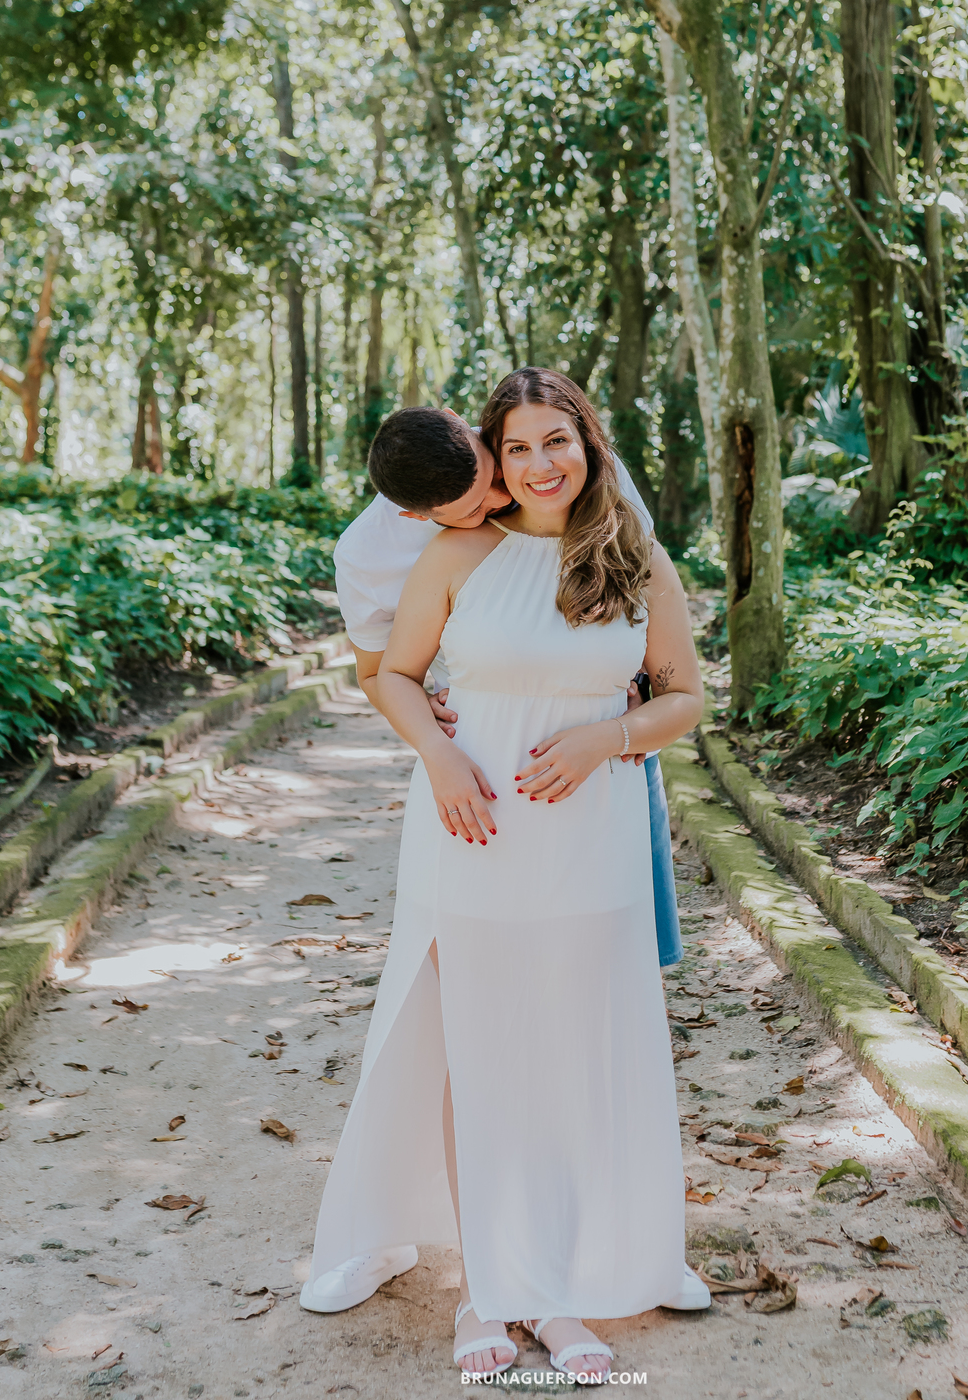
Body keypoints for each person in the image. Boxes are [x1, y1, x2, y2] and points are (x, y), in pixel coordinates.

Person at [303, 369, 708, 1378]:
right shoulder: (453, 552)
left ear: (587, 439)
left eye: (554, 441)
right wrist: (438, 753)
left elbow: (685, 697)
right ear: (491, 454)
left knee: (575, 1056)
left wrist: (609, 736)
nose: (536, 465)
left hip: (593, 842)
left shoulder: (630, 550)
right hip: (470, 839)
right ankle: (490, 1285)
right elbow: (392, 672)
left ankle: (561, 1291)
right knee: (476, 1052)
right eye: (516, 447)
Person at [332, 402, 683, 972]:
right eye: (474, 510)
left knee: (621, 942)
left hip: (599, 727)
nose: (503, 498)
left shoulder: (544, 453)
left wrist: (639, 688)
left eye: (494, 473)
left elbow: (635, 583)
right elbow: (379, 674)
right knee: (487, 951)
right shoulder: (368, 556)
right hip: (482, 751)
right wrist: (436, 749)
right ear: (419, 519)